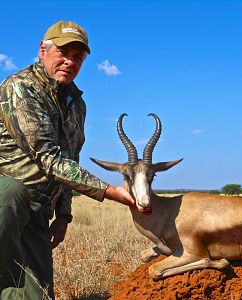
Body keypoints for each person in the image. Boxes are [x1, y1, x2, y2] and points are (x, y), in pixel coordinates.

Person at [0, 20, 140, 299]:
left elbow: (70, 160)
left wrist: (63, 215)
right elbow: (49, 159)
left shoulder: (77, 105)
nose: (69, 61)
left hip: (38, 208)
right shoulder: (20, 88)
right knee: (12, 192)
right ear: (43, 51)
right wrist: (110, 191)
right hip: (7, 199)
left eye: (77, 57)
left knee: (35, 294)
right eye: (63, 52)